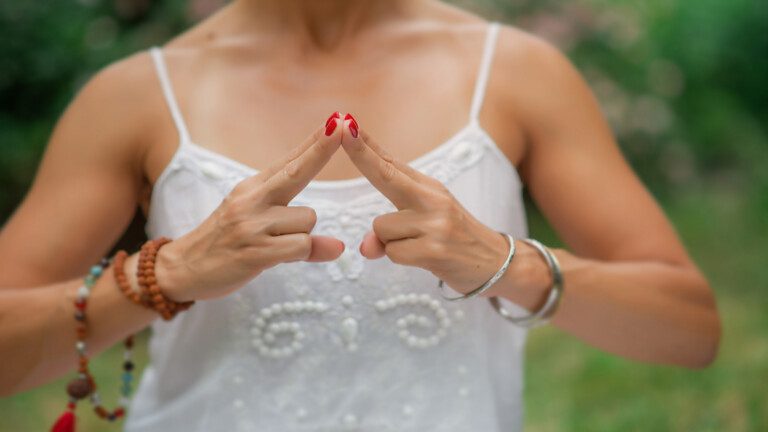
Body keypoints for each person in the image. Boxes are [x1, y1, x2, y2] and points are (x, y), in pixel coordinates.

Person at [0, 0, 721, 430]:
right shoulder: (132, 95)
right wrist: (171, 273)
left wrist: (503, 261)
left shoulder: (518, 73)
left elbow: (687, 329)